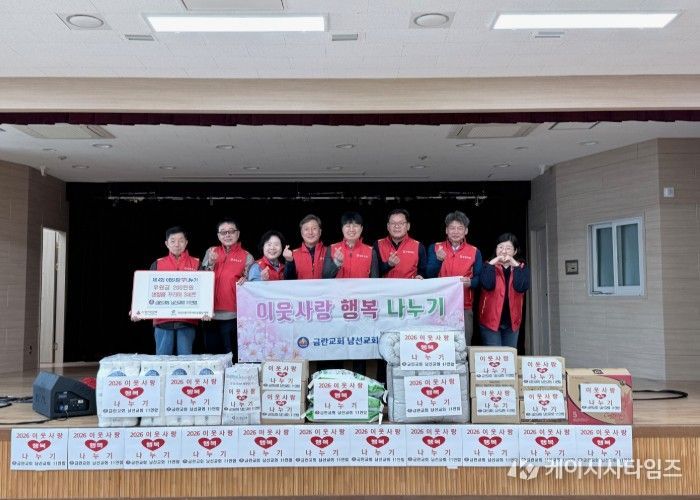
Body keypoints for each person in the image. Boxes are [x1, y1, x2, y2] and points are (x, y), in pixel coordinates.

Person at [426, 211, 483, 345]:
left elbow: (480, 278)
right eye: (452, 228)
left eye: (460, 228)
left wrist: (470, 282)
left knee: (463, 346)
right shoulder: (435, 248)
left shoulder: (474, 251)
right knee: (439, 344)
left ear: (466, 231)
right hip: (439, 306)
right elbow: (428, 275)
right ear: (446, 230)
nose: (455, 232)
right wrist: (438, 260)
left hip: (464, 306)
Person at [201, 218, 253, 358]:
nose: (227, 235)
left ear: (238, 234)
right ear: (218, 236)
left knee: (231, 355)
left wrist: (247, 280)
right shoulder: (211, 251)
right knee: (212, 356)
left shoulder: (246, 256)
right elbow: (201, 279)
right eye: (223, 232)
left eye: (231, 231)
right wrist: (210, 262)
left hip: (233, 315)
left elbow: (251, 286)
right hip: (209, 314)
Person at [147, 226, 200, 355]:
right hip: (162, 320)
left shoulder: (196, 263)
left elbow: (203, 291)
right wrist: (138, 308)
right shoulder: (157, 264)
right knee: (162, 360)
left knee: (186, 360)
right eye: (173, 241)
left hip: (187, 320)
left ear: (186, 242)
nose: (177, 244)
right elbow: (147, 290)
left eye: (181, 240)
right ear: (166, 243)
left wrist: (206, 309)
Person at [478, 232, 530, 348]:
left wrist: (515, 265)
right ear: (496, 249)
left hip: (512, 322)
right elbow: (487, 284)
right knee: (495, 356)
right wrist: (492, 263)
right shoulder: (487, 266)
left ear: (515, 251)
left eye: (508, 248)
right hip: (490, 321)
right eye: (500, 247)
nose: (504, 251)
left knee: (509, 356)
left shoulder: (521, 268)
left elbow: (521, 287)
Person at [323, 211, 379, 278]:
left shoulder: (371, 251)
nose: (351, 230)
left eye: (355, 226)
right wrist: (336, 264)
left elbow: (375, 280)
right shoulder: (331, 248)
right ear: (342, 229)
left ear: (361, 229)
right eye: (348, 226)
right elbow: (325, 277)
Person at [373, 208, 426, 279]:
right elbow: (373, 272)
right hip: (385, 286)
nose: (397, 226)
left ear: (408, 226)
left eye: (401, 223)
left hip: (409, 286)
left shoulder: (418, 246)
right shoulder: (378, 244)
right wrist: (388, 264)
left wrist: (420, 276)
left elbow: (424, 271)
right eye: (393, 223)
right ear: (388, 226)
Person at [283, 214, 326, 279]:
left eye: (314, 228)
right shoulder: (293, 254)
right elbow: (288, 280)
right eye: (306, 229)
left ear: (320, 232)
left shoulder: (329, 251)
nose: (310, 232)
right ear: (301, 233)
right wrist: (289, 261)